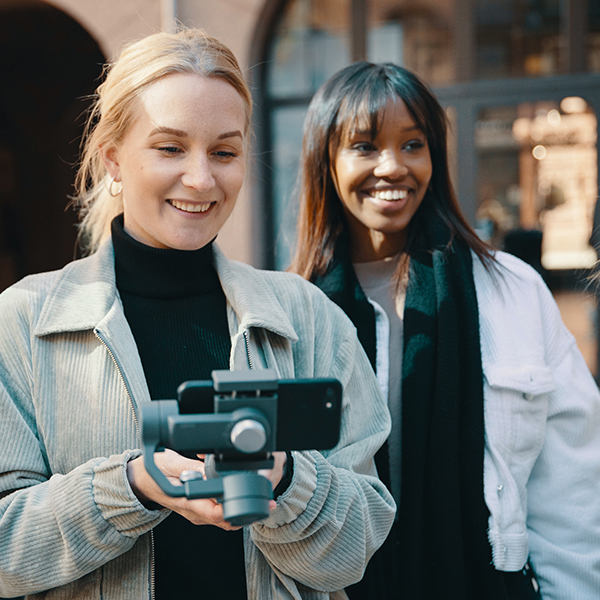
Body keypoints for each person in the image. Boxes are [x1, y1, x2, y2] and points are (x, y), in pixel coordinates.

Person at [0, 31, 395, 600]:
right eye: (170, 148)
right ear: (113, 158)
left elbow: (356, 548)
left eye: (224, 152)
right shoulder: (24, 321)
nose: (201, 178)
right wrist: (133, 485)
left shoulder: (307, 317)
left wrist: (283, 479)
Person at [291, 61, 600, 599]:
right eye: (364, 147)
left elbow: (572, 488)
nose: (393, 166)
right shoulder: (293, 314)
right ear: (327, 162)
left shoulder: (512, 291)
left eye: (413, 144)